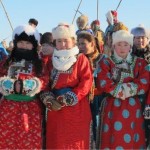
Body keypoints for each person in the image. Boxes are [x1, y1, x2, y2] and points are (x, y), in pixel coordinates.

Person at [40, 22, 93, 149]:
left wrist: (70, 97)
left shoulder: (80, 59)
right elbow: (44, 83)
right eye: (59, 41)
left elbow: (86, 82)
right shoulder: (50, 60)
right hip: (55, 109)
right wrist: (48, 99)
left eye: (66, 40)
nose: (62, 44)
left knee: (75, 143)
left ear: (73, 41)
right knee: (57, 142)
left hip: (77, 108)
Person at [97, 30, 149, 149]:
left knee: (133, 138)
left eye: (125, 44)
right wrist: (122, 90)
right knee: (113, 139)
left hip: (134, 109)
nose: (122, 48)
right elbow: (103, 82)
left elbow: (144, 83)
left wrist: (124, 90)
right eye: (119, 44)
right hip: (112, 108)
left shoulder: (140, 63)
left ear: (130, 46)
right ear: (114, 45)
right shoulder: (106, 62)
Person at [0, 24, 49, 149]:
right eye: (21, 42)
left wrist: (31, 85)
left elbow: (45, 79)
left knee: (29, 140)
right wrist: (6, 84)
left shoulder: (39, 64)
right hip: (8, 109)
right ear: (15, 43)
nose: (24, 45)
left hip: (30, 109)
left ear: (33, 45)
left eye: (27, 43)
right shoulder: (7, 62)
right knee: (7, 139)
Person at [77, 32, 104, 148]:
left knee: (98, 128)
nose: (80, 47)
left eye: (83, 43)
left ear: (92, 43)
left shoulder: (104, 59)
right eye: (78, 44)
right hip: (83, 100)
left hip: (99, 100)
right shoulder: (77, 60)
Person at [131, 25, 150, 148]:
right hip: (134, 97)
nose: (140, 41)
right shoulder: (128, 55)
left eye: (143, 37)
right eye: (137, 38)